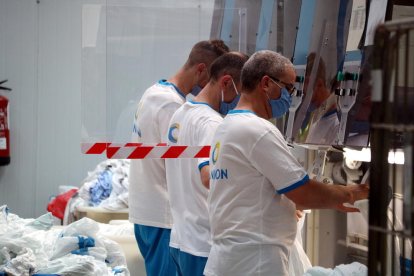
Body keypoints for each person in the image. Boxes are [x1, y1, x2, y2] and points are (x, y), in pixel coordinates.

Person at [204, 50, 369, 276]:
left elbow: (250, 189)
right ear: (266, 83)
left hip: (229, 259)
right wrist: (349, 193)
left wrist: (286, 205)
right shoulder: (257, 130)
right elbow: (303, 192)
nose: (291, 97)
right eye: (289, 88)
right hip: (255, 263)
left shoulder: (227, 126)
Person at [129, 39, 229, 276]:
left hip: (145, 210)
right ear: (201, 69)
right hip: (163, 215)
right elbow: (183, 165)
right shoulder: (172, 106)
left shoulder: (154, 92)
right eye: (211, 78)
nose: (210, 88)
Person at [165, 52, 248, 276]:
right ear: (226, 82)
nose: (242, 102)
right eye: (242, 93)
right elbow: (209, 177)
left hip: (180, 239)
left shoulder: (180, 114)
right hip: (203, 243)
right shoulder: (212, 123)